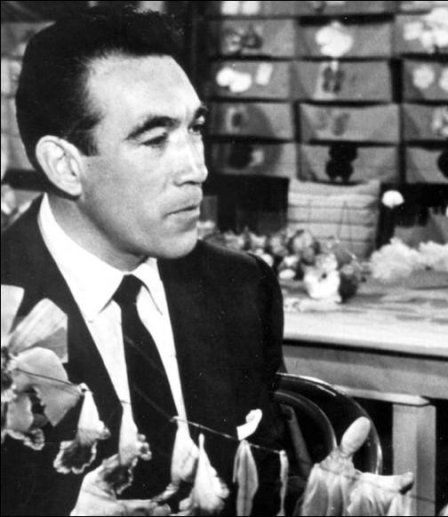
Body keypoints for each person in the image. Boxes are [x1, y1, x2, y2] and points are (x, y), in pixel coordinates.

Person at [1, 6, 286, 515]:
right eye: (155, 140)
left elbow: (263, 485)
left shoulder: (242, 286)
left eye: (196, 129)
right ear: (65, 166)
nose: (196, 168)